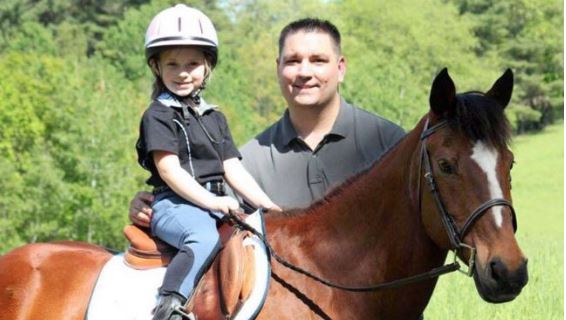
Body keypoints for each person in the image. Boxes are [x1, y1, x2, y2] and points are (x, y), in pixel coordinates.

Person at [136, 5, 278, 320]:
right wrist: (213, 200)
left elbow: (233, 168)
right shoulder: (157, 115)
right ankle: (169, 305)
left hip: (214, 203)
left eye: (192, 64)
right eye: (172, 64)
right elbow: (169, 170)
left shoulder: (215, 117)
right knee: (202, 237)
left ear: (207, 66)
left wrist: (270, 208)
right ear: (156, 67)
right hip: (174, 204)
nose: (183, 72)